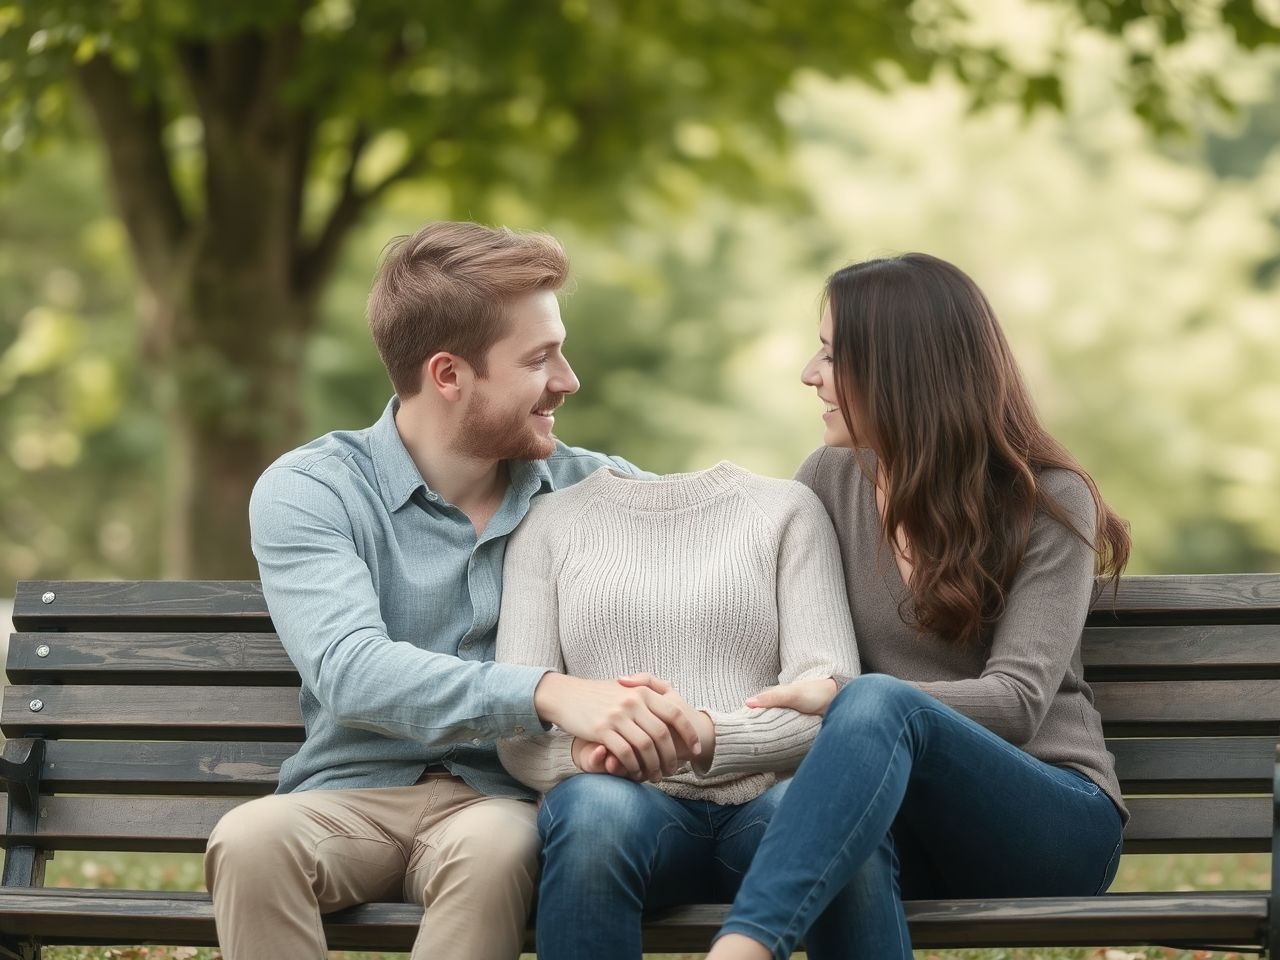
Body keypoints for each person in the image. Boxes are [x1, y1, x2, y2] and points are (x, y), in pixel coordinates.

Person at [202, 221, 706, 960]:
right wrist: (547, 692)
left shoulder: (593, 488)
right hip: (348, 797)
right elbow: (349, 668)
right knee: (248, 839)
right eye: (540, 359)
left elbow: (727, 537)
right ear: (448, 374)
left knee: (496, 849)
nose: (567, 380)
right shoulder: (313, 489)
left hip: (498, 807)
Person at [692, 252, 1133, 959]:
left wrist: (848, 697)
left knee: (874, 701)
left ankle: (743, 948)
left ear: (902, 368)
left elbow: (1018, 701)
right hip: (897, 819)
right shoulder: (827, 481)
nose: (810, 374)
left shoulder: (1046, 500)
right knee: (843, 843)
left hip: (1049, 818)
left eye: (833, 356)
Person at [494, 460, 861, 960]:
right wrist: (582, 755)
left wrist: (703, 733)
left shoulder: (787, 509)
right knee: (593, 813)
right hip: (626, 807)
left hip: (764, 804)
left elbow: (835, 703)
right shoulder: (547, 524)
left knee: (829, 813)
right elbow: (516, 723)